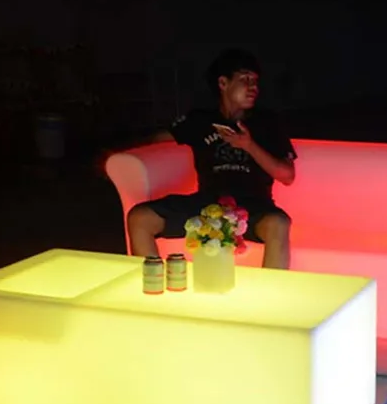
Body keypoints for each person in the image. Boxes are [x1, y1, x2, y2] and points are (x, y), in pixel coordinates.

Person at [126, 48, 297, 269]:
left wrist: (249, 145)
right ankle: (156, 281)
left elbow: (287, 175)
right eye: (245, 79)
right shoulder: (200, 119)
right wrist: (122, 154)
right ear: (223, 83)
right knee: (139, 217)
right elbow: (158, 139)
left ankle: (271, 289)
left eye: (255, 81)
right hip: (207, 204)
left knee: (279, 223)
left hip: (252, 205)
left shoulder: (267, 122)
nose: (253, 87)